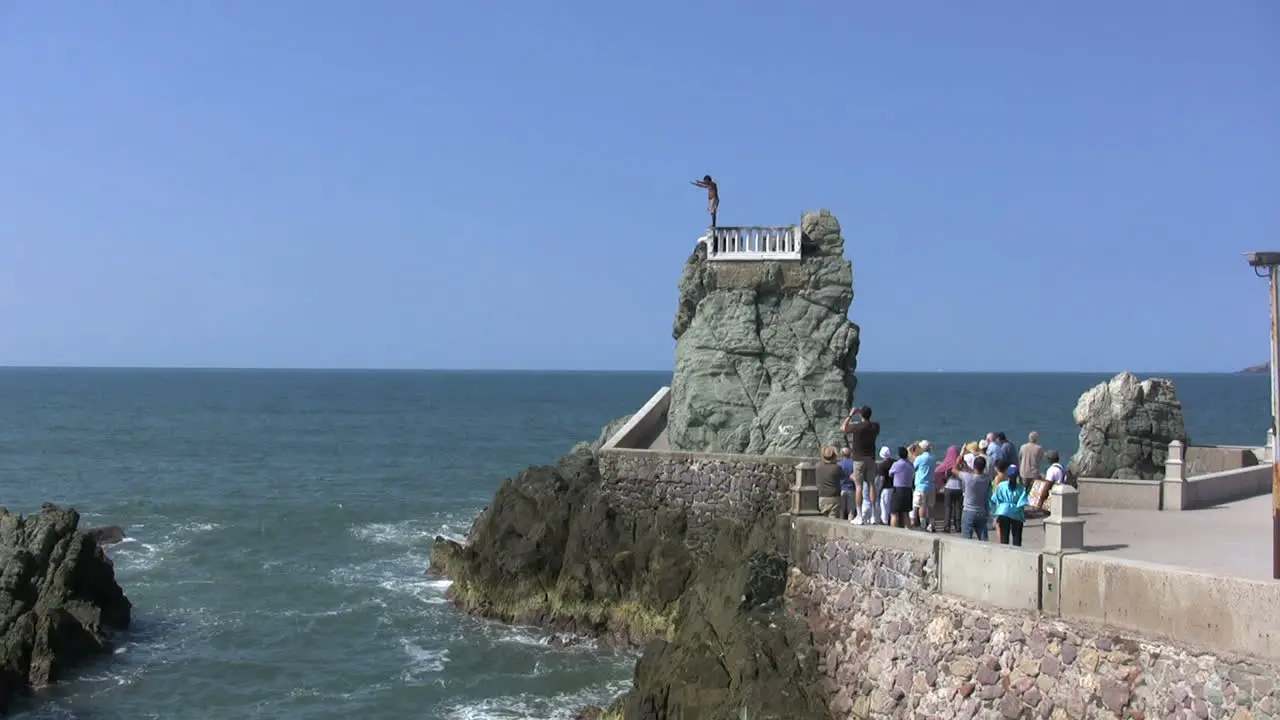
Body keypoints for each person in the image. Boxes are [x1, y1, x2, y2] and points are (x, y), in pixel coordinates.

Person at [841, 406, 881, 525]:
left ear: (861, 415)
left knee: (858, 486)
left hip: (858, 459)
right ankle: (874, 515)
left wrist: (850, 415)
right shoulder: (875, 426)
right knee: (871, 484)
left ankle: (859, 516)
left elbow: (844, 428)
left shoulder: (857, 427)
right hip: (871, 458)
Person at [991, 462, 1031, 546]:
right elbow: (1022, 502)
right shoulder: (1021, 488)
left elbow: (995, 499)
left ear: (1007, 474)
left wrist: (997, 508)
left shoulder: (1001, 485)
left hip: (1003, 511)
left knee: (1004, 537)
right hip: (1016, 513)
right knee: (1017, 538)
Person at [958, 456, 992, 540]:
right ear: (984, 467)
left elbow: (954, 470)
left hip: (968, 511)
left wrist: (959, 457)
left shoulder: (968, 477)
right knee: (984, 539)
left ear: (974, 466)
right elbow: (974, 472)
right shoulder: (986, 479)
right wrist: (965, 465)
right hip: (981, 511)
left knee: (966, 539)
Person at [936, 445, 962, 533]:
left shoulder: (947, 463)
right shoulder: (960, 463)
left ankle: (947, 527)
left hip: (949, 487)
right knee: (958, 508)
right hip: (959, 487)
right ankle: (958, 526)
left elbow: (938, 472)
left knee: (948, 507)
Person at [913, 440, 937, 532]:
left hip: (921, 485)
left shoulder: (920, 458)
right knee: (931, 506)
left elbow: (914, 467)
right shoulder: (933, 458)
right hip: (931, 484)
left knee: (921, 505)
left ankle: (923, 525)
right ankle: (931, 524)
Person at [888, 446, 914, 528]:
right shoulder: (910, 464)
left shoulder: (897, 464)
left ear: (899, 455)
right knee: (906, 513)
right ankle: (908, 530)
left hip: (898, 490)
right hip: (908, 490)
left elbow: (890, 474)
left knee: (894, 513)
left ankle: (893, 531)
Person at [816, 446, 843, 516]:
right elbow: (843, 477)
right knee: (833, 519)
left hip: (822, 497)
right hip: (834, 497)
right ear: (834, 456)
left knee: (824, 519)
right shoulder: (837, 467)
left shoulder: (818, 466)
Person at [876, 446, 895, 525]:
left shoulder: (882, 465)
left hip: (886, 488)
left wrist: (878, 489)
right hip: (895, 487)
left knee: (884, 507)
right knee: (892, 507)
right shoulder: (895, 462)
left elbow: (882, 479)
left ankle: (885, 522)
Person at [837, 448, 856, 521]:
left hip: (842, 488)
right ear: (850, 454)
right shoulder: (853, 464)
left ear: (842, 454)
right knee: (851, 511)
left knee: (841, 510)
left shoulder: (839, 464)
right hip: (852, 489)